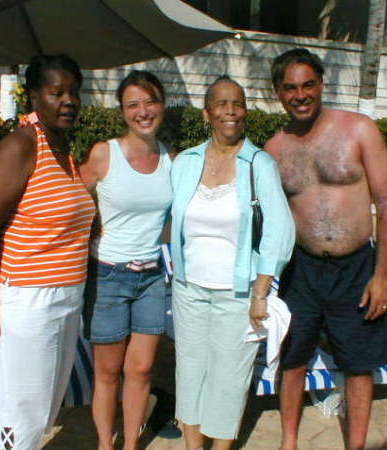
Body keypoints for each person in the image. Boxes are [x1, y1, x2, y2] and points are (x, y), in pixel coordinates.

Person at [264, 48, 387, 450]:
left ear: (321, 84)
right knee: (292, 359)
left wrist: (382, 275)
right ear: (278, 93)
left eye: (308, 85)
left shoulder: (359, 130)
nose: (300, 95)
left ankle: (355, 446)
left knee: (358, 365)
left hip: (356, 268)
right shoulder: (274, 149)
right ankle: (289, 442)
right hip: (301, 270)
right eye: (290, 88)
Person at [0, 54, 95, 450]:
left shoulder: (63, 149)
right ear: (34, 97)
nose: (69, 100)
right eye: (57, 93)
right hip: (24, 296)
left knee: (45, 406)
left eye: (74, 92)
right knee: (21, 408)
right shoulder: (23, 144)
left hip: (63, 297)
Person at [170, 75, 295, 450]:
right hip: (188, 287)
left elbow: (279, 231)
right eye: (222, 104)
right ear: (207, 113)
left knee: (229, 377)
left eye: (237, 104)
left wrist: (260, 292)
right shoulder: (186, 162)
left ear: (245, 113)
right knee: (189, 369)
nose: (230, 111)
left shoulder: (259, 164)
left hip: (238, 292)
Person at [79, 70, 173, 450]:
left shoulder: (170, 158)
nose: (143, 111)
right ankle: (106, 444)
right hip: (108, 276)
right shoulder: (105, 153)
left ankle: (131, 443)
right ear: (122, 111)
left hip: (151, 277)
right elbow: (71, 200)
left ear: (162, 105)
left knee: (142, 369)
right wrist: (90, 229)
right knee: (107, 371)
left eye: (150, 102)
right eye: (133, 104)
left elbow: (172, 219)